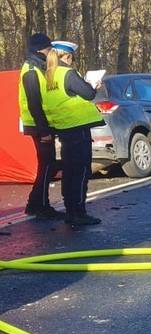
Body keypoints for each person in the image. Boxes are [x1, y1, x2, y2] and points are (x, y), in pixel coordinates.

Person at [42, 40, 103, 226]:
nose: (72, 61)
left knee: (68, 170)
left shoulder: (47, 75)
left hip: (63, 128)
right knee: (81, 170)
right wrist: (94, 85)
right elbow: (88, 94)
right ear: (67, 56)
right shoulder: (67, 73)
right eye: (72, 58)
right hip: (78, 127)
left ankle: (70, 210)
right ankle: (78, 211)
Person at [17, 33, 62, 220]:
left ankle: (34, 204)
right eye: (48, 48)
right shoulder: (31, 71)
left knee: (47, 165)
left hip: (41, 124)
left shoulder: (36, 67)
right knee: (47, 165)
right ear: (39, 49)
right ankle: (42, 206)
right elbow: (34, 103)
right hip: (38, 126)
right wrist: (44, 131)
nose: (51, 52)